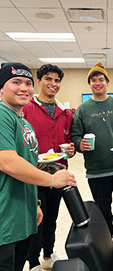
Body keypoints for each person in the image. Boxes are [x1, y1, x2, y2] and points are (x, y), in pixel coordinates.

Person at [0, 62, 76, 271]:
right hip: (4, 220)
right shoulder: (2, 115)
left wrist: (34, 202)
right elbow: (7, 161)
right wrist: (52, 180)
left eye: (27, 83)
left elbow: (26, 161)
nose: (23, 88)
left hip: (21, 214)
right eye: (16, 82)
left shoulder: (23, 121)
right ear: (1, 88)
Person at [71, 61, 113, 243]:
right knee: (103, 213)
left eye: (101, 79)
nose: (97, 83)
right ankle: (108, 244)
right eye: (93, 80)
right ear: (89, 84)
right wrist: (80, 144)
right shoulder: (82, 110)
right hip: (96, 171)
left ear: (107, 82)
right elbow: (75, 136)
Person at [23, 64, 75, 271]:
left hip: (58, 174)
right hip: (34, 174)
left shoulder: (65, 113)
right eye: (48, 79)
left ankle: (47, 254)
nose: (53, 84)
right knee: (36, 220)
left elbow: (69, 139)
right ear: (39, 81)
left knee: (52, 218)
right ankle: (33, 261)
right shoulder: (26, 107)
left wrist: (71, 149)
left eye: (57, 80)